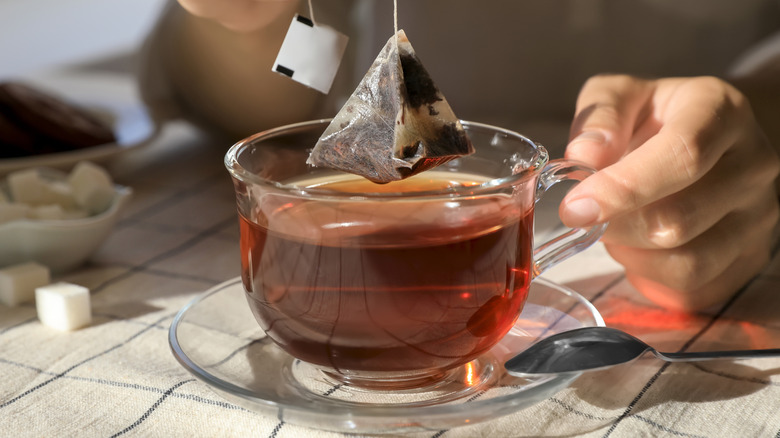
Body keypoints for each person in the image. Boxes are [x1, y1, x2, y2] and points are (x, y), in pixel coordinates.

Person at [139, 0, 780, 311]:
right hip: (374, 191)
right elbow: (275, 89)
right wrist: (241, 18)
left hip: (659, 187)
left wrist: (759, 112)